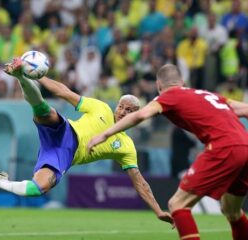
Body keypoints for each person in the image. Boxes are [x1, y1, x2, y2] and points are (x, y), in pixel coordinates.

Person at [0, 58, 173, 226]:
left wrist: (157, 210)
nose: (123, 112)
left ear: (137, 117)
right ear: (116, 107)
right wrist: (40, 76)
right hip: (66, 132)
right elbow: (63, 92)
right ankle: (20, 76)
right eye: (122, 107)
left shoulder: (127, 147)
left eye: (130, 111)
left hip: (62, 156)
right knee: (43, 110)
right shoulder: (101, 108)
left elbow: (140, 183)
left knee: (36, 189)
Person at [88, 64, 248, 240]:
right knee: (231, 210)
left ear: (158, 85)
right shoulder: (210, 96)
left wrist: (104, 134)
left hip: (224, 146)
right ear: (182, 82)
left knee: (177, 204)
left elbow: (141, 115)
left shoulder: (169, 96)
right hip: (245, 145)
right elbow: (245, 109)